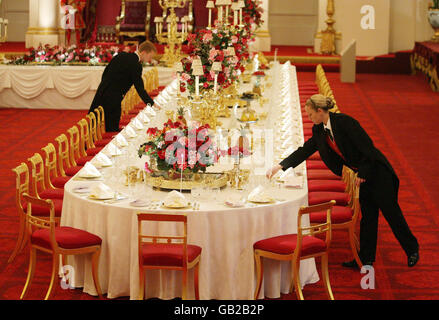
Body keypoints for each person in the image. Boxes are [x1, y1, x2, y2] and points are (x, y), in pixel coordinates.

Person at [266, 94, 419, 268]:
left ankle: (412, 249)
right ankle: (365, 259)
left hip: (377, 172)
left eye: (310, 114)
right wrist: (280, 166)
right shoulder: (319, 130)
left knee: (392, 214)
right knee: (368, 218)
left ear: (320, 111)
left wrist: (363, 171)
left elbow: (368, 148)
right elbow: (305, 150)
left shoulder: (345, 123)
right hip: (360, 176)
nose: (309, 118)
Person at [89, 40, 160, 132]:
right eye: (150, 56)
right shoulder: (136, 65)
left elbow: (105, 72)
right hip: (114, 98)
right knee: (112, 130)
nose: (149, 59)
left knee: (95, 120)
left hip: (103, 90)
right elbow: (140, 88)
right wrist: (152, 104)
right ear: (144, 53)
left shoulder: (121, 55)